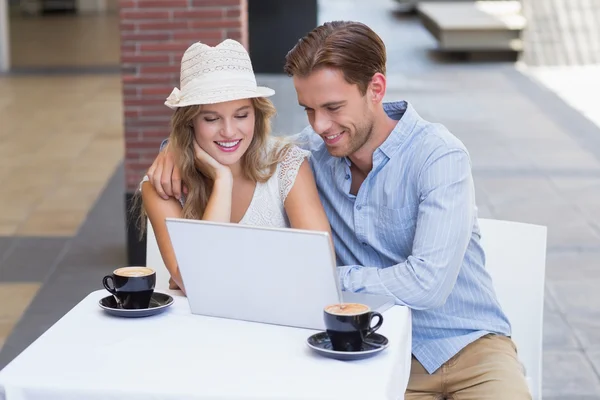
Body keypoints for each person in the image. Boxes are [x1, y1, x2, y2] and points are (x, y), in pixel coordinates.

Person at [146, 22, 531, 399]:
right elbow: (237, 143)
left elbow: (427, 284)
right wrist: (171, 149)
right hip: (374, 350)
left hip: (470, 348)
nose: (320, 125)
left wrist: (316, 277)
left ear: (375, 89)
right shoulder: (313, 152)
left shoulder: (438, 156)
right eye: (309, 109)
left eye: (332, 107)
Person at [139, 39, 331, 293]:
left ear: (256, 114)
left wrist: (203, 272)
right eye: (211, 118)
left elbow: (319, 267)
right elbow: (199, 282)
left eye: (241, 115)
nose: (229, 131)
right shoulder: (163, 184)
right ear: (190, 122)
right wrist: (222, 181)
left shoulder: (286, 164)